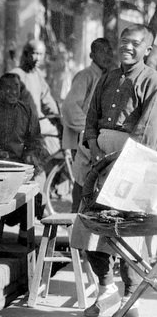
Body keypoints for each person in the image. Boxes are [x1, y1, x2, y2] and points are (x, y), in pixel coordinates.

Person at [72, 24, 157, 317]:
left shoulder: (151, 81)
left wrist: (122, 161)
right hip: (99, 161)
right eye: (123, 42)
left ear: (147, 49)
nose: (128, 47)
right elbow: (92, 117)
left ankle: (129, 297)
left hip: (130, 166)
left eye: (135, 43)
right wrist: (95, 146)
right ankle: (105, 288)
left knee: (126, 230)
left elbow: (147, 129)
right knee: (89, 224)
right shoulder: (107, 77)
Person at [61, 38, 114, 211]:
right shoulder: (86, 76)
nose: (107, 55)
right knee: (82, 182)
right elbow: (70, 106)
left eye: (109, 51)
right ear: (92, 55)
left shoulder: (107, 76)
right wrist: (88, 129)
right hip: (84, 139)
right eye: (102, 51)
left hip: (97, 139)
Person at [10, 40, 62, 160]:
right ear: (26, 54)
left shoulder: (38, 76)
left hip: (37, 124)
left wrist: (59, 119)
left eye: (41, 54)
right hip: (21, 128)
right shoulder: (15, 75)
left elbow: (47, 100)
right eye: (35, 54)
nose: (38, 58)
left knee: (56, 139)